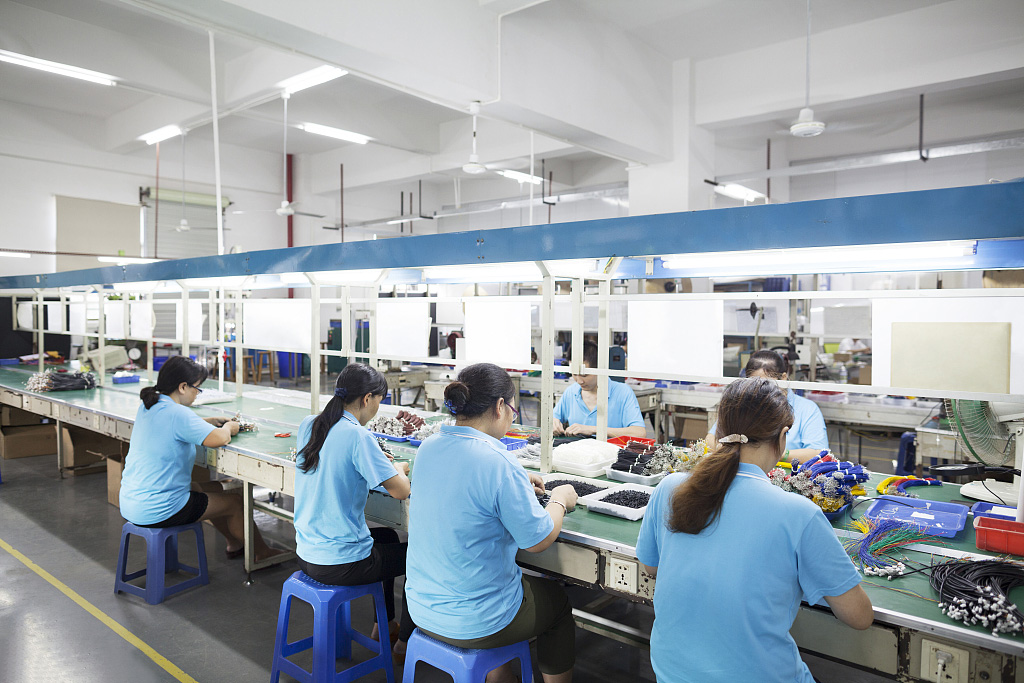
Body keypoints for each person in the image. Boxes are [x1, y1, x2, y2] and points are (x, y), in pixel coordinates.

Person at [637, 377, 873, 683]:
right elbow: (859, 617)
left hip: (671, 671)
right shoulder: (800, 514)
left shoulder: (670, 488)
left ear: (719, 431)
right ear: (783, 437)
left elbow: (651, 567)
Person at [406, 363, 579, 683]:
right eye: (513, 409)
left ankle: (499, 675)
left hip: (422, 607)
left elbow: (463, 490)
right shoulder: (498, 461)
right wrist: (559, 500)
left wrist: (516, 483)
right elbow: (538, 540)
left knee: (495, 585)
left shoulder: (429, 447)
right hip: (476, 621)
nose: (513, 416)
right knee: (556, 603)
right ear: (500, 406)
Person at [294, 363, 414, 654]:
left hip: (307, 553)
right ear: (367, 399)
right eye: (379, 401)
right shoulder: (358, 436)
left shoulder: (310, 424)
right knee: (419, 555)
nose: (377, 408)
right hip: (342, 563)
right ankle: (404, 644)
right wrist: (395, 468)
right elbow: (401, 490)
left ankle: (382, 625)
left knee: (385, 538)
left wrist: (377, 462)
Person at [119, 355, 279, 561]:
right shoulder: (179, 414)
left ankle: (235, 544)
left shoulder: (149, 406)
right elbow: (220, 438)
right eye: (197, 388)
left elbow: (177, 424)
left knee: (203, 489)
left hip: (132, 502)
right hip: (159, 509)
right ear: (183, 387)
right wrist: (229, 426)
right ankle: (263, 554)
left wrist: (208, 420)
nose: (198, 394)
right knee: (234, 503)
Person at [707, 349, 828, 462]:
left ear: (783, 378)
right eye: (754, 384)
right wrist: (729, 450)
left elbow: (818, 454)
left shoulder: (807, 409)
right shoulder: (741, 404)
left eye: (767, 383)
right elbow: (710, 439)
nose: (761, 390)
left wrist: (778, 454)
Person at [552, 341, 645, 439]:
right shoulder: (571, 392)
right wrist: (554, 423)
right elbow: (553, 418)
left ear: (599, 369)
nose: (579, 381)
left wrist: (593, 429)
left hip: (611, 452)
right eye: (574, 374)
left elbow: (639, 433)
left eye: (584, 375)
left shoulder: (623, 392)